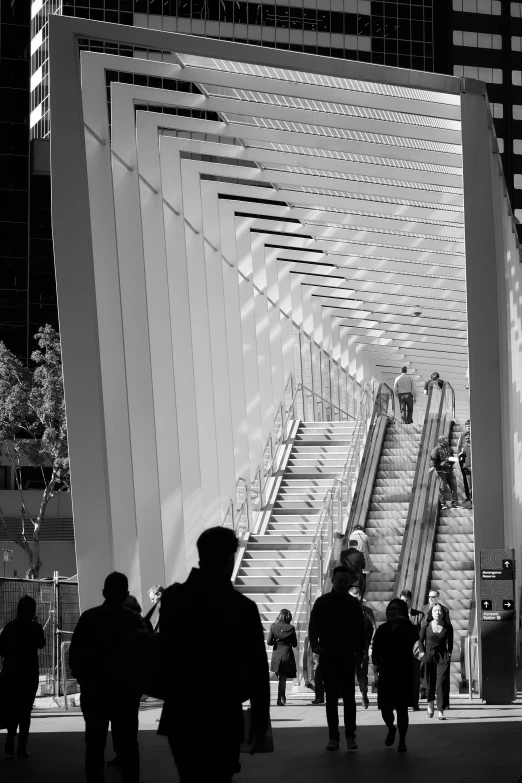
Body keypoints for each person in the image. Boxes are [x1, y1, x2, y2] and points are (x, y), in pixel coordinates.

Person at [158, 526, 270, 782]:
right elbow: (256, 667)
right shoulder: (242, 608)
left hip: (181, 711)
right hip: (222, 714)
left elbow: (165, 652)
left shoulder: (173, 599)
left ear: (200, 555)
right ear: (231, 558)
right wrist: (259, 719)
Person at [69, 571, 144, 783]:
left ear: (104, 592)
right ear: (126, 594)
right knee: (129, 746)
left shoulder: (89, 618)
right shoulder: (135, 620)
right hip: (125, 694)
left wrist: (84, 679)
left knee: (94, 745)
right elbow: (146, 658)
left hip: (94, 691)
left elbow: (75, 655)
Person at [308, 565, 366, 752]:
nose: (342, 584)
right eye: (339, 580)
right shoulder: (322, 602)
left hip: (347, 655)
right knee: (331, 697)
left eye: (345, 581)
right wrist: (316, 646)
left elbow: (360, 630)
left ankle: (350, 736)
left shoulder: (353, 604)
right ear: (332, 580)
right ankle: (333, 736)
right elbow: (313, 625)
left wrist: (360, 652)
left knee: (349, 697)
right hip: (328, 655)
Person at [0, 595, 45, 758]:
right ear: (32, 611)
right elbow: (41, 643)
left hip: (10, 672)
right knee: (26, 710)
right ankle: (22, 746)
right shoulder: (35, 628)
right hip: (29, 672)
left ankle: (10, 738)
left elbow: (2, 649)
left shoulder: (9, 627)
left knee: (12, 706)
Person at [371, 599, 418, 753]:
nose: (392, 612)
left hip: (404, 672)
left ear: (403, 612)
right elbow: (376, 647)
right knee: (385, 709)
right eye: (390, 609)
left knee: (402, 708)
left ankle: (402, 741)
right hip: (386, 673)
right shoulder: (383, 628)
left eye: (396, 609)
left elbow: (417, 641)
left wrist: (406, 623)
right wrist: (376, 661)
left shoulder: (409, 628)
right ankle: (391, 728)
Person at [417, 603, 454, 720]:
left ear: (443, 614)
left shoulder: (448, 626)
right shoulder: (426, 625)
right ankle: (430, 702)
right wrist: (422, 652)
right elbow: (420, 640)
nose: (438, 613)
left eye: (440, 611)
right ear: (431, 613)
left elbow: (451, 642)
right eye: (435, 611)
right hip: (429, 655)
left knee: (441, 682)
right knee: (429, 681)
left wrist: (449, 652)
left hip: (443, 656)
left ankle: (441, 710)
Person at [348, 586, 375, 709]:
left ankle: (364, 694)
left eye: (357, 598)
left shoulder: (367, 611)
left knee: (362, 674)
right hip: (347, 648)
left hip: (362, 647)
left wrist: (371, 644)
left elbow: (373, 628)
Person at [399, 589, 424, 710]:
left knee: (414, 677)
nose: (405, 603)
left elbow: (423, 632)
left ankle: (414, 702)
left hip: (414, 651)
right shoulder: (395, 615)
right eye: (402, 601)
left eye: (407, 601)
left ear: (411, 601)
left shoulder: (419, 615)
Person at [267, 609, 297, 706]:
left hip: (276, 655)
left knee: (280, 677)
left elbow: (269, 642)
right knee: (282, 678)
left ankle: (281, 697)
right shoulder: (291, 628)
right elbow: (294, 643)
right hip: (287, 654)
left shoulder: (273, 627)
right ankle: (281, 697)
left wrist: (276, 641)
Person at [429, 435, 461, 510]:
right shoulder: (436, 449)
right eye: (446, 439)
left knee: (454, 485)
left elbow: (451, 456)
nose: (447, 439)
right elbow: (433, 459)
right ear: (442, 440)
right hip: (441, 471)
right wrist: (432, 466)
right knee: (442, 488)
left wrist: (452, 461)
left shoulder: (449, 448)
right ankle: (443, 503)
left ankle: (455, 502)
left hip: (449, 469)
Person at [457, 422, 472, 504]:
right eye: (467, 426)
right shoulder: (463, 435)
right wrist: (460, 456)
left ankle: (472, 496)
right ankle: (468, 496)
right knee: (466, 480)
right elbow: (459, 447)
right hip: (465, 462)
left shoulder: (475, 433)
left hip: (472, 461)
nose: (468, 428)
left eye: (469, 426)